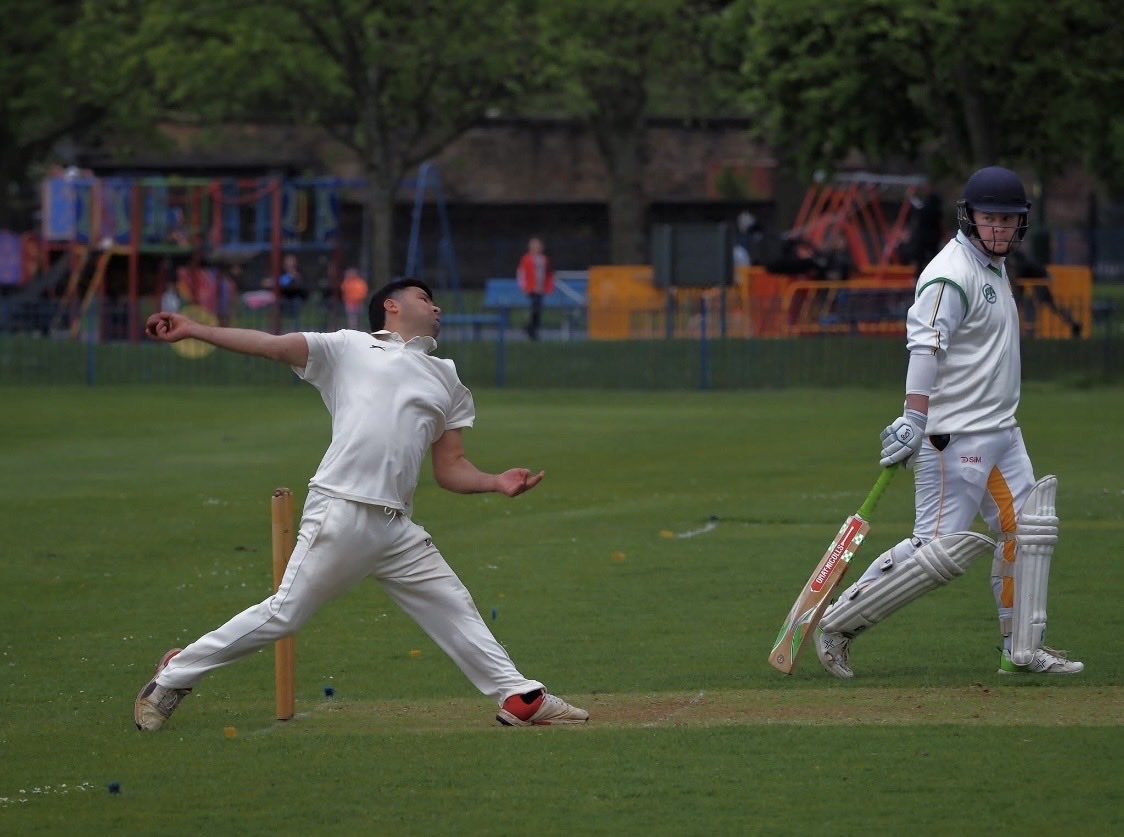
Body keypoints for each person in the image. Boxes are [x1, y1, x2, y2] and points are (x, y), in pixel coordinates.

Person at [134, 278, 589, 730]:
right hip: (343, 508)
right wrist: (194, 329)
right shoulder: (347, 347)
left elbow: (450, 468)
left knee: (452, 604)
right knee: (285, 614)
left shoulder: (446, 376)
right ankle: (173, 675)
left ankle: (519, 695)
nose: (437, 309)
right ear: (391, 306)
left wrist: (494, 481)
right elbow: (269, 345)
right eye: (425, 299)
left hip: (396, 526)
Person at [814, 166, 1084, 679]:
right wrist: (915, 418)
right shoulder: (949, 272)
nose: (1000, 229)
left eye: (1009, 220)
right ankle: (837, 624)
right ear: (970, 218)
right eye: (991, 219)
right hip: (953, 437)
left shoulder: (995, 266)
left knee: (1025, 533)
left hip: (1002, 430)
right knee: (937, 552)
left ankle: (1021, 651)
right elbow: (925, 344)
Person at [516, 237, 553, 340]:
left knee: (538, 310)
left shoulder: (544, 259)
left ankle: (529, 328)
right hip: (531, 289)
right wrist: (524, 287)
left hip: (541, 289)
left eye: (538, 245)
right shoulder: (526, 259)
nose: (536, 247)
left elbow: (548, 274)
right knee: (535, 308)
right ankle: (531, 331)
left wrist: (549, 287)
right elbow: (521, 274)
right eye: (534, 245)